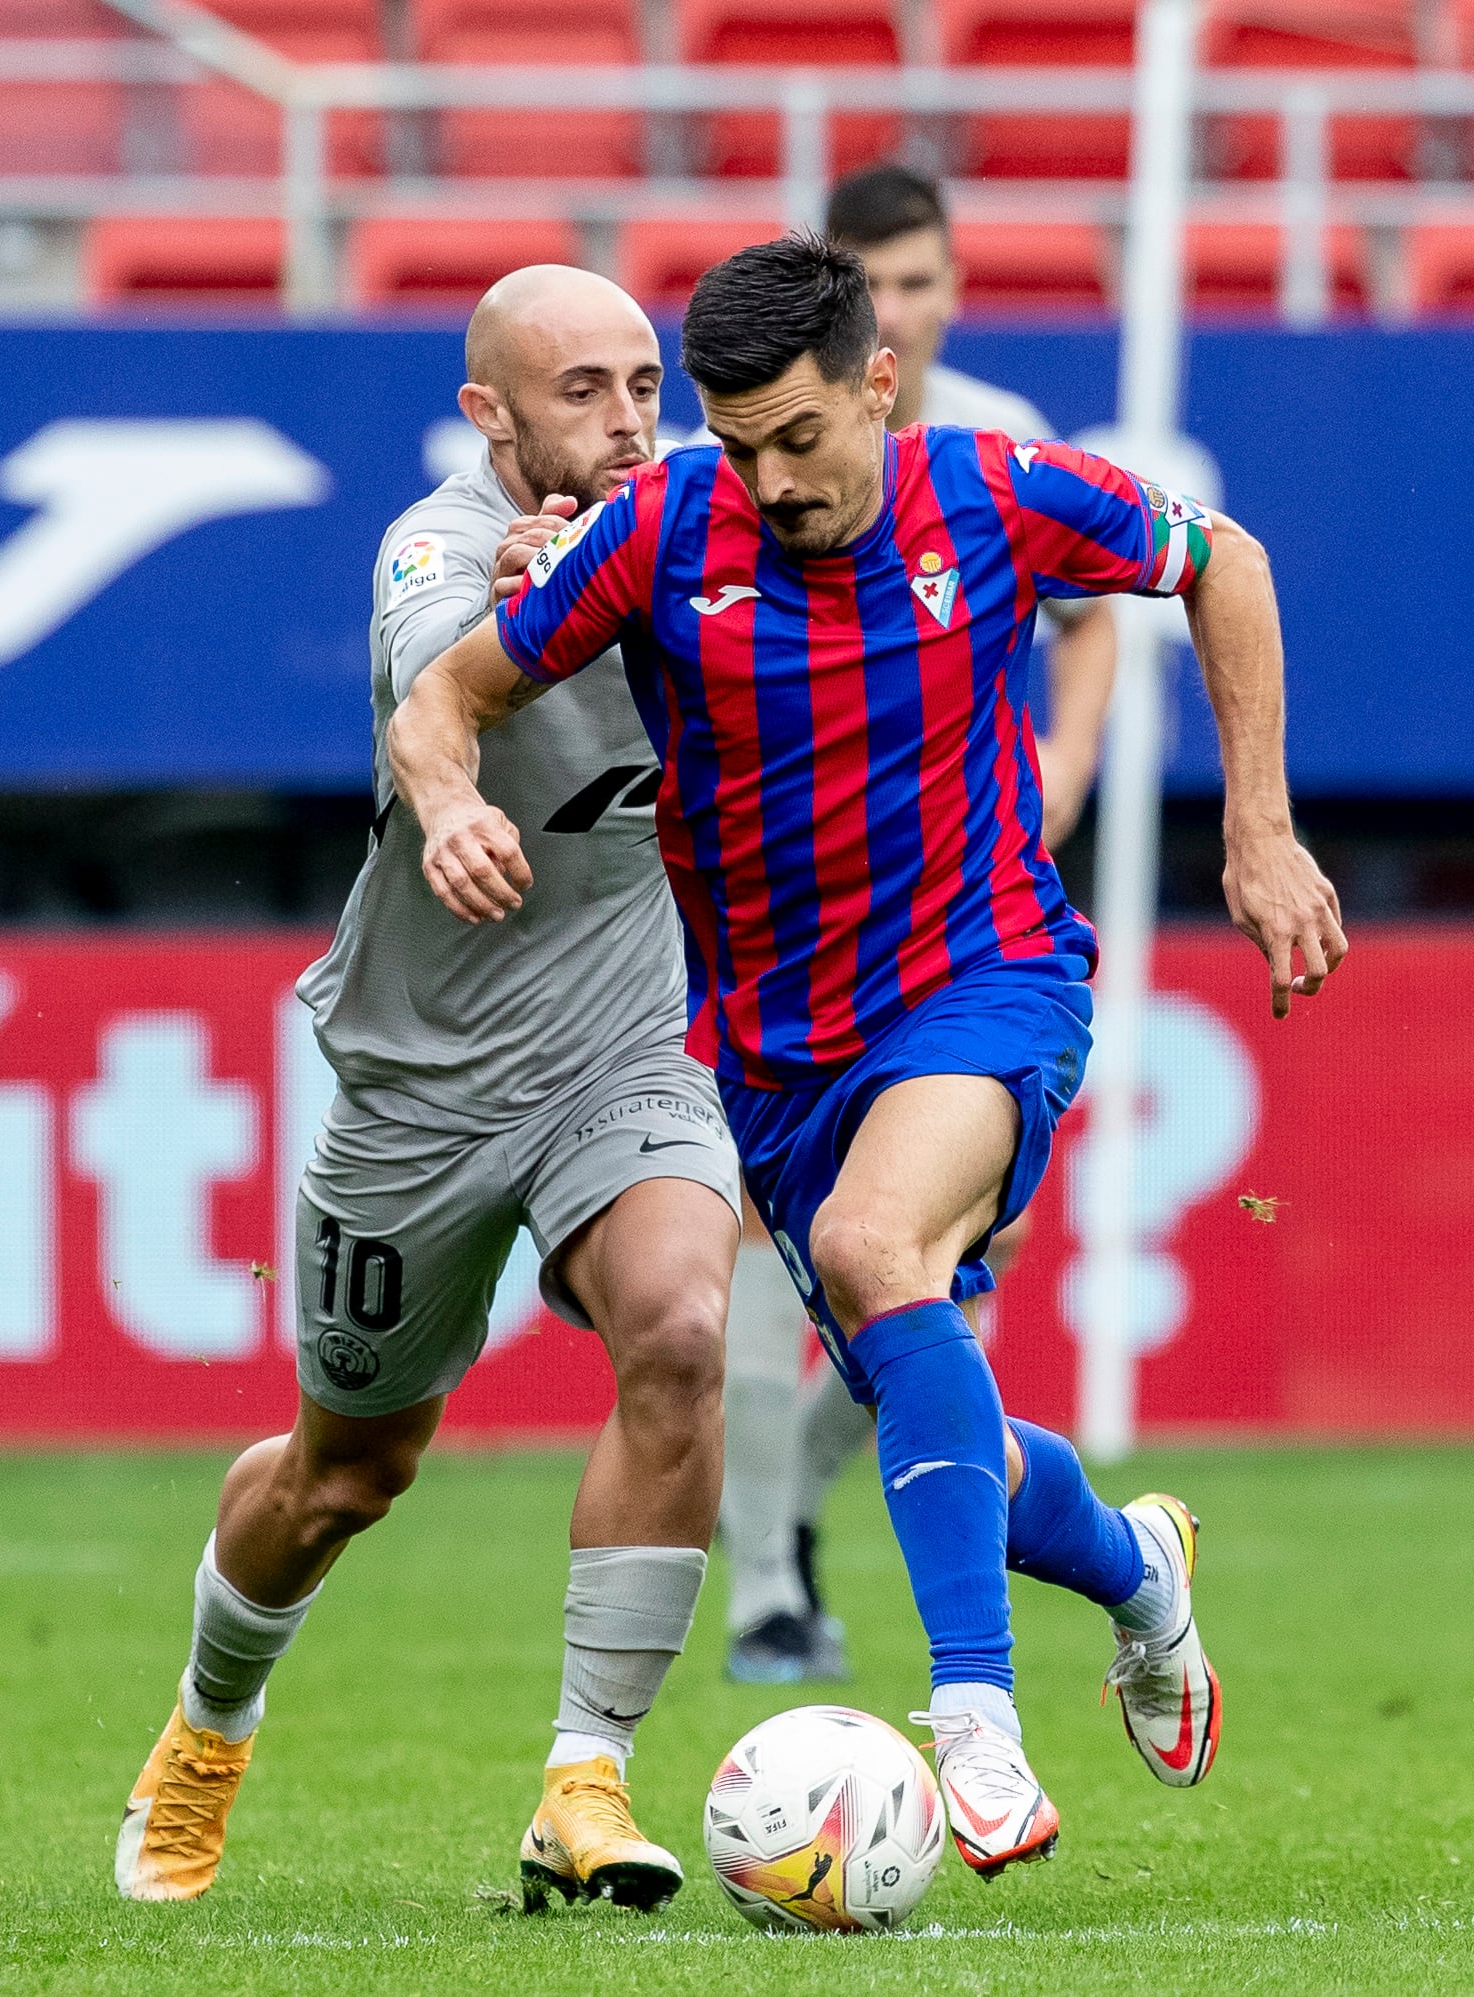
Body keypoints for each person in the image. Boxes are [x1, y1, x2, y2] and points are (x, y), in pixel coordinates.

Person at [388, 236, 1346, 1875]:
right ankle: (1132, 1564)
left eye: (803, 439)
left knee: (867, 1247)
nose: (770, 481)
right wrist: (453, 795)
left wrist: (1257, 829)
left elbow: (1223, 562)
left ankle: (972, 1716)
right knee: (918, 1364)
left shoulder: (995, 490)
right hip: (772, 1053)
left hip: (986, 980)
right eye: (736, 441)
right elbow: (448, 698)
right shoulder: (653, 533)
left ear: (878, 387)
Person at [115, 266, 742, 1916]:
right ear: (493, 414)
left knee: (681, 1326)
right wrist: (454, 796)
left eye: (643, 387)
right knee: (342, 1478)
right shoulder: (440, 545)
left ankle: (584, 1777)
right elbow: (428, 697)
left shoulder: (704, 524)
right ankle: (208, 1724)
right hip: (423, 1087)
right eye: (584, 393)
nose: (625, 423)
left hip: (626, 1046)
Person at [718, 162, 1123, 1687]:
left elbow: (1099, 623)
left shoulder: (1003, 450)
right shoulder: (758, 473)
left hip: (970, 919)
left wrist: (1067, 761)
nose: (909, 301)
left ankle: (805, 1521)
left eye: (927, 276)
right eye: (877, 274)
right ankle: (765, 1578)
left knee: (935, 1270)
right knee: (800, 1255)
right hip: (795, 950)